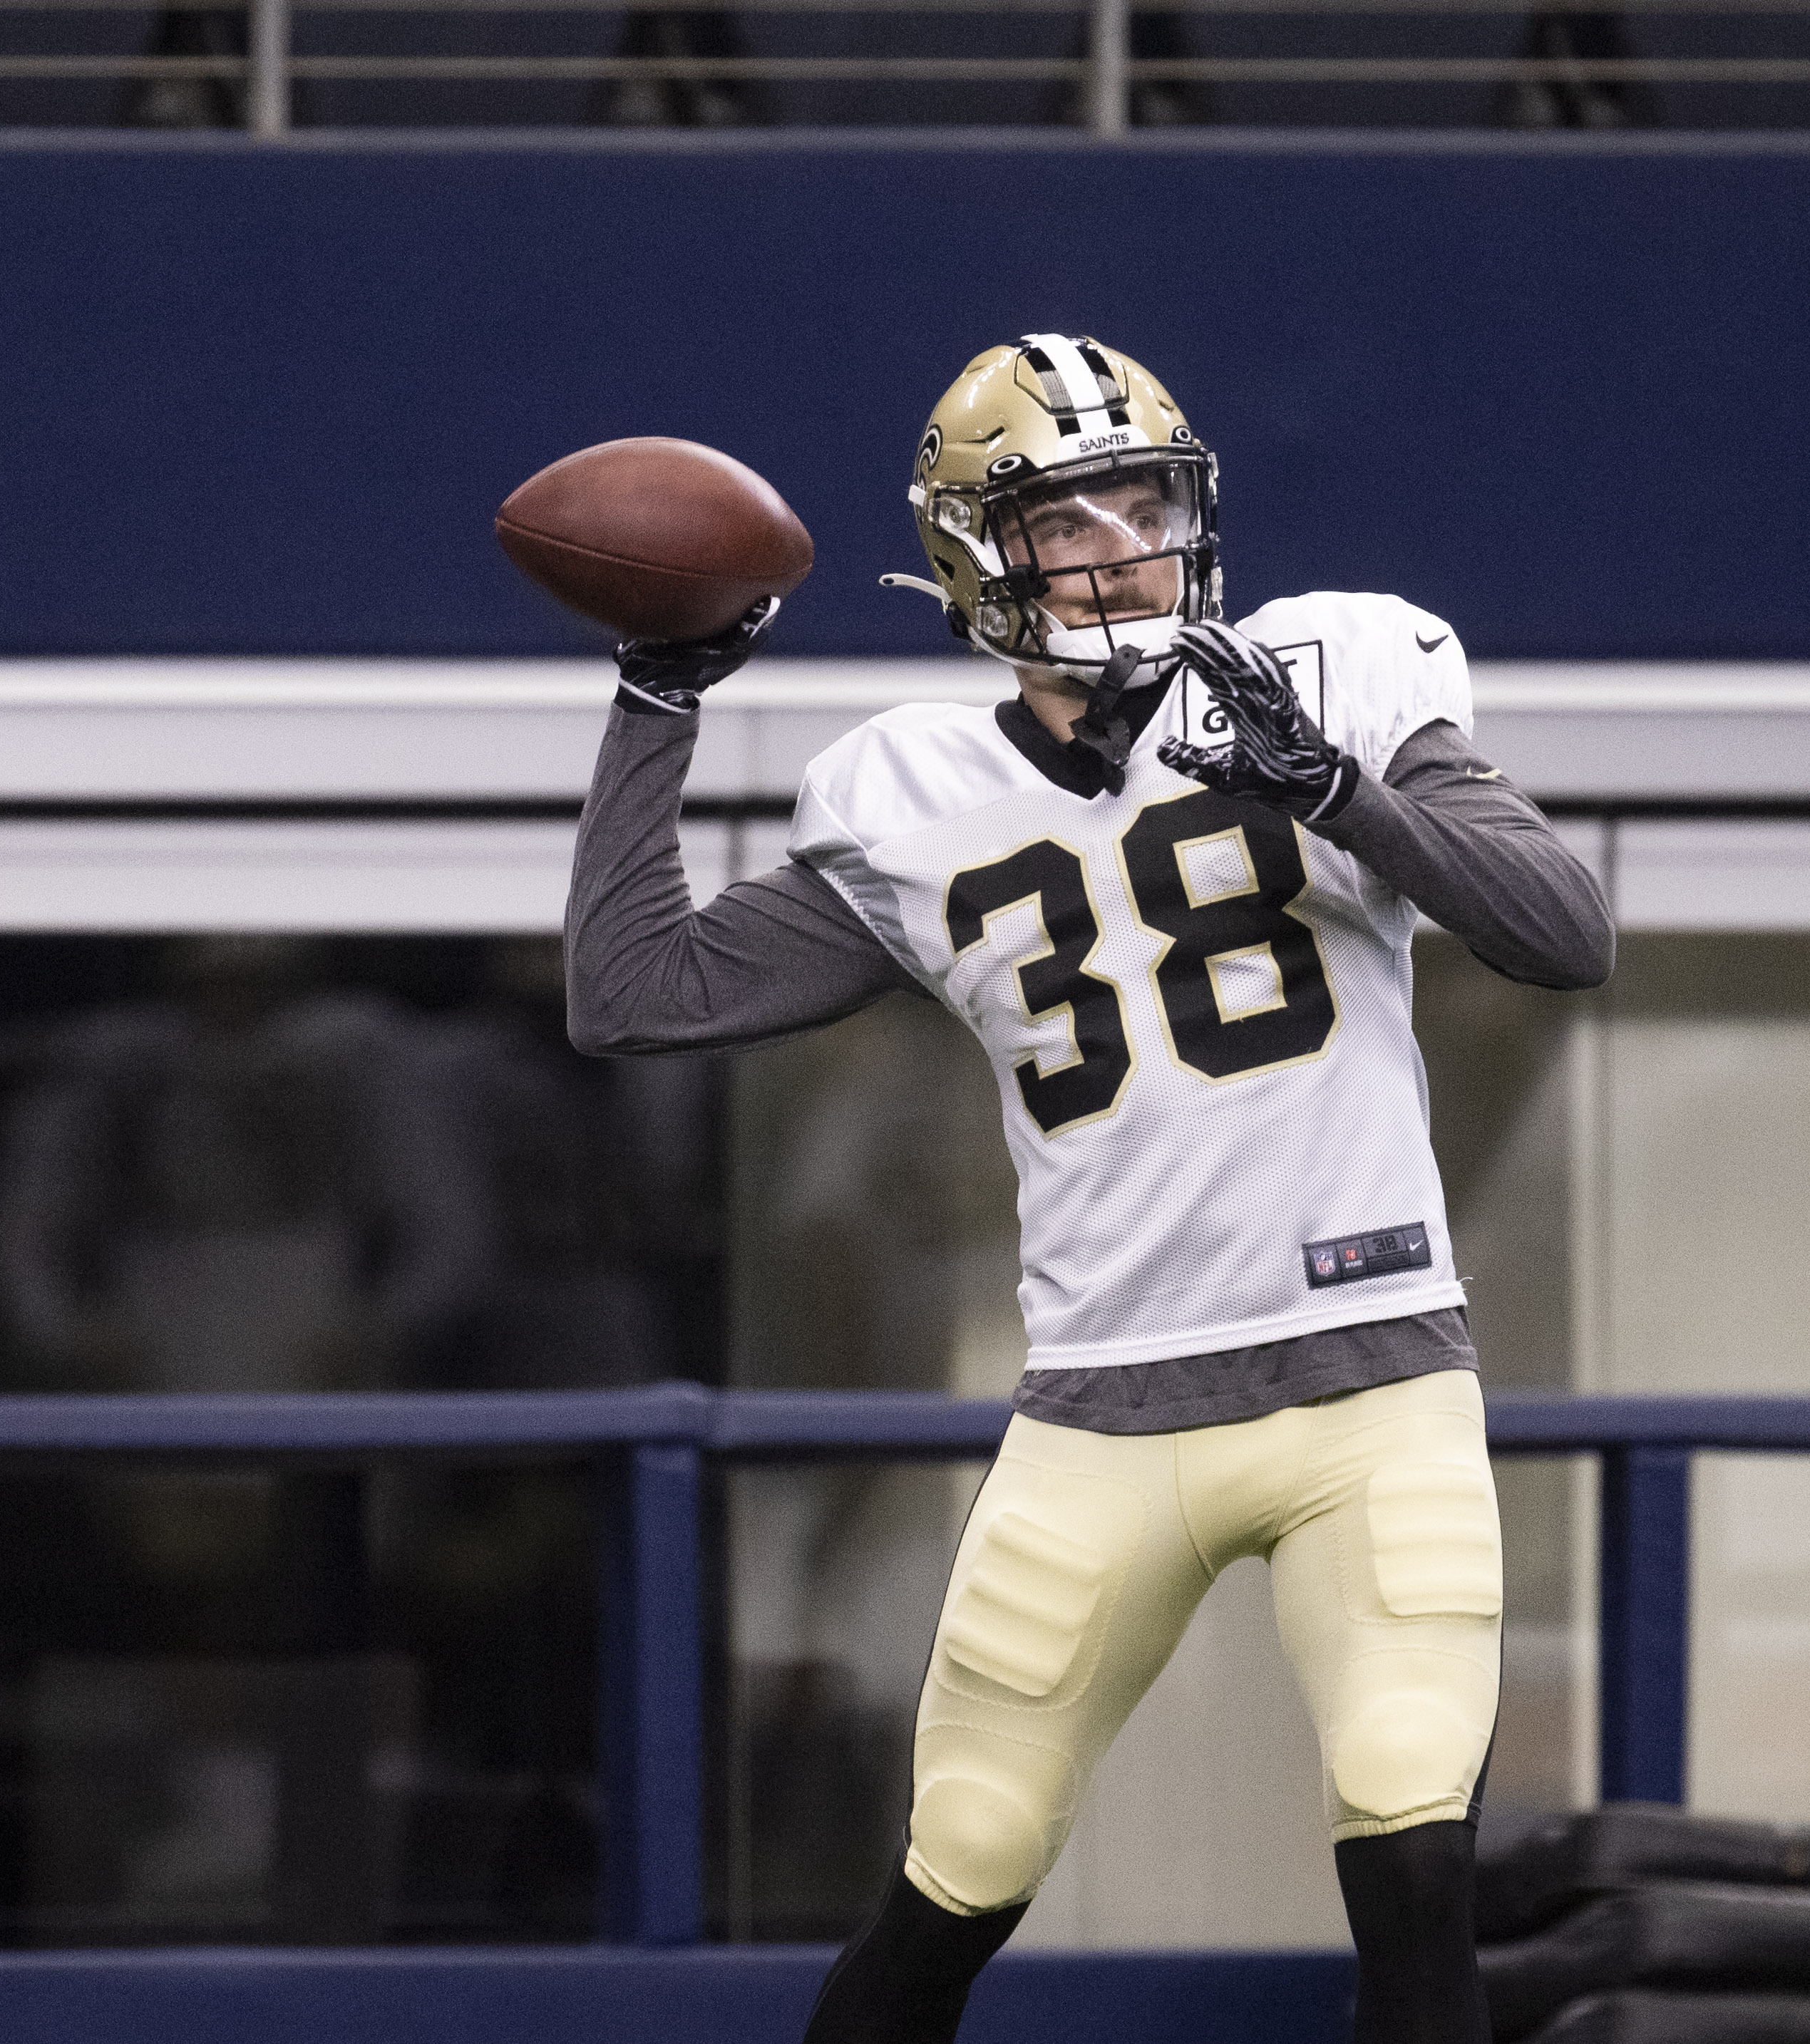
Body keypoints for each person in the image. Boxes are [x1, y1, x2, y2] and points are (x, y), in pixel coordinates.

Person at [565, 332, 1613, 2043]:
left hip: (1376, 1380)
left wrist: (1342, 796)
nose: (1127, 542)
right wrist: (658, 699)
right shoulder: (909, 799)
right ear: (984, 561)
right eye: (1072, 514)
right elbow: (635, 997)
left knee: (1414, 1849)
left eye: (1149, 499)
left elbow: (1565, 936)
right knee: (958, 1871)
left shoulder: (1329, 672)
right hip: (1102, 1414)